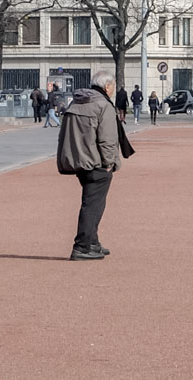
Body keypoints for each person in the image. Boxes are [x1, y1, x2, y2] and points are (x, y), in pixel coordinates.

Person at [56, 73, 131, 260]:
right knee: (92, 205)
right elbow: (108, 138)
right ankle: (82, 246)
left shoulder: (77, 102)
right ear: (107, 87)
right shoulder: (103, 105)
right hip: (96, 162)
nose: (113, 90)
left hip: (79, 160)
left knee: (92, 202)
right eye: (112, 86)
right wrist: (109, 163)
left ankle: (92, 242)